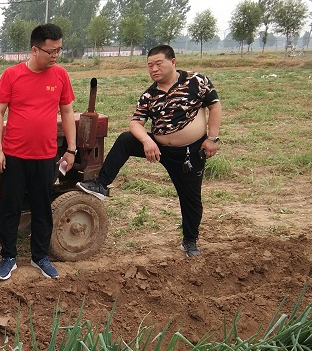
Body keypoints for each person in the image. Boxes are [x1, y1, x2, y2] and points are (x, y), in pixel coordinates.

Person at [78, 45, 221, 258]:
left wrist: (212, 138)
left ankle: (190, 240)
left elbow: (215, 106)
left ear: (173, 62)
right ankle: (101, 184)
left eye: (158, 63)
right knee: (126, 139)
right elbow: (135, 123)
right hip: (160, 148)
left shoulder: (196, 81)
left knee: (190, 199)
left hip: (189, 153)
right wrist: (147, 141)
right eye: (150, 65)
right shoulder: (149, 95)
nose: (154, 69)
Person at [0, 23, 77, 281]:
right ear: (34, 49)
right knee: (10, 209)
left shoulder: (60, 75)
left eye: (59, 50)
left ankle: (40, 257)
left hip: (45, 156)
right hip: (14, 155)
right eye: (50, 51)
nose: (55, 56)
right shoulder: (12, 75)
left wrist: (71, 149)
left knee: (42, 209)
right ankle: (8, 257)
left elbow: (68, 112)